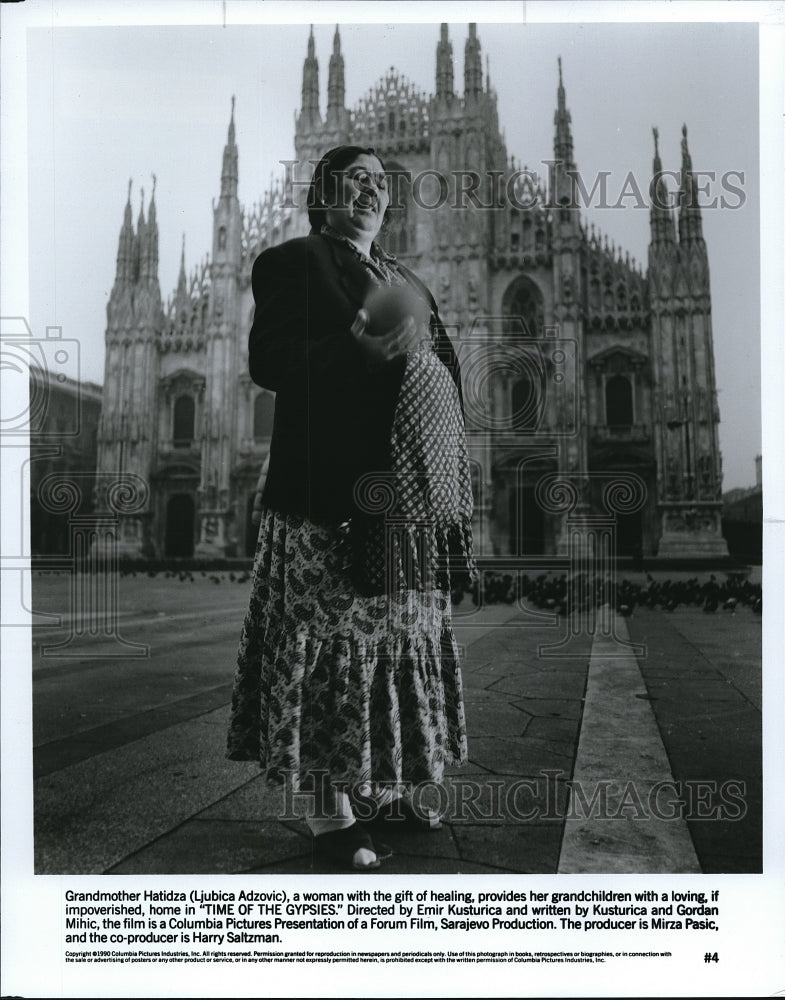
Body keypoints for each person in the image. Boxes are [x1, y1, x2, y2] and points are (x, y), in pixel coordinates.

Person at [226, 145, 475, 870]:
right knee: (328, 646)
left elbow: (442, 368)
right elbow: (268, 362)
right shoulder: (294, 261)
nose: (368, 191)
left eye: (378, 182)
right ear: (321, 193)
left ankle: (385, 784)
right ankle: (329, 813)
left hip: (404, 494)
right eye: (352, 180)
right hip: (327, 493)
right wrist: (355, 348)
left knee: (395, 640)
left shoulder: (406, 277)